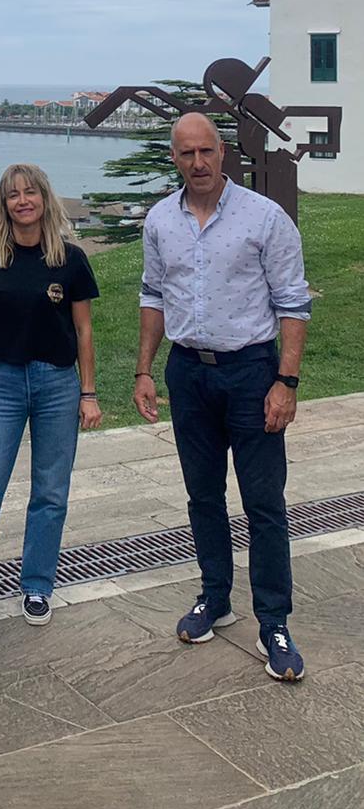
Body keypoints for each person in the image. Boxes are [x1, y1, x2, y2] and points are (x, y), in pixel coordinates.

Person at [136, 112, 311, 683]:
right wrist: (145, 371)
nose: (198, 163)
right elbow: (153, 297)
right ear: (175, 159)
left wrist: (285, 382)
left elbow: (293, 304)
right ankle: (216, 596)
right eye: (186, 154)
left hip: (252, 373)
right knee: (202, 496)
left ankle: (274, 622)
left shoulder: (266, 217)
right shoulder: (161, 220)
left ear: (223, 152)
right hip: (189, 373)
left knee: (264, 503)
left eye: (206, 151)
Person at [0, 163, 102, 625]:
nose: (23, 201)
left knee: (51, 492)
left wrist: (88, 392)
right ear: (3, 204)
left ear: (44, 198)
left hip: (57, 384)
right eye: (13, 194)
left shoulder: (71, 259)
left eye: (30, 192)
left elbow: (83, 331)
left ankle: (38, 585)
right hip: (0, 383)